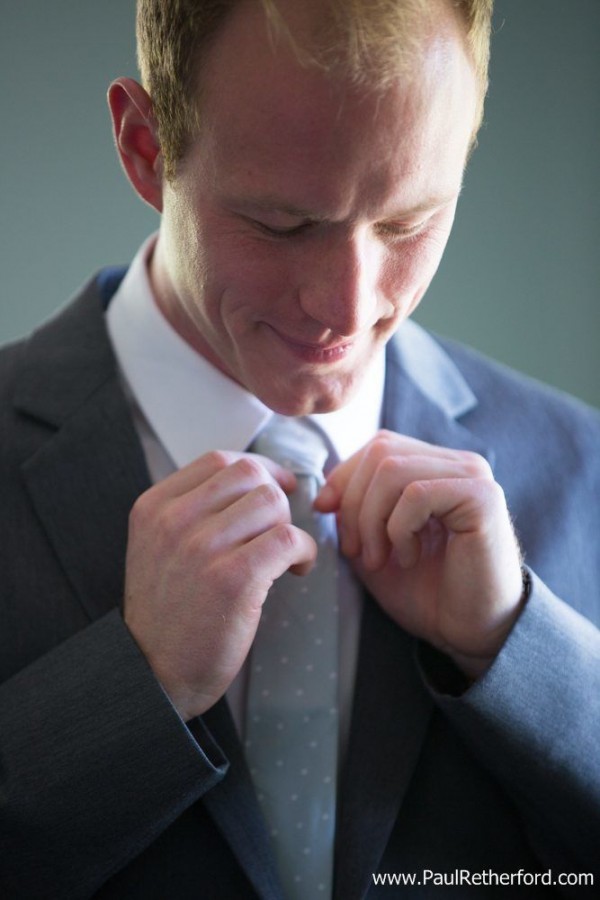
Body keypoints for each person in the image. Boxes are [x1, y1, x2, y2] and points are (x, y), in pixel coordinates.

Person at [0, 0, 598, 897]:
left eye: (408, 222)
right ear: (144, 147)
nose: (349, 312)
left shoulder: (579, 462)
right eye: (283, 225)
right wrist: (129, 691)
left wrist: (519, 650)